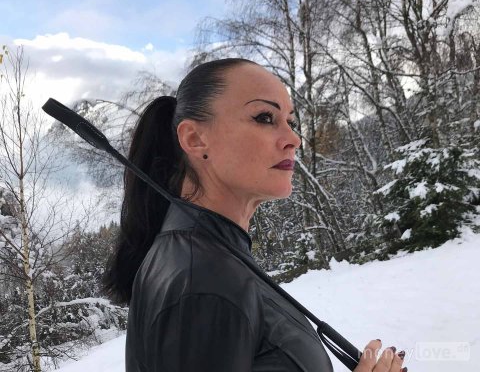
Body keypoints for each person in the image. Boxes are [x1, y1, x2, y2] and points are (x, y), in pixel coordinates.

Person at [103, 58, 407, 371]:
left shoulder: (212, 257)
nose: (293, 139)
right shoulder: (203, 283)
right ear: (194, 139)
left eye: (290, 122)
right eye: (265, 117)